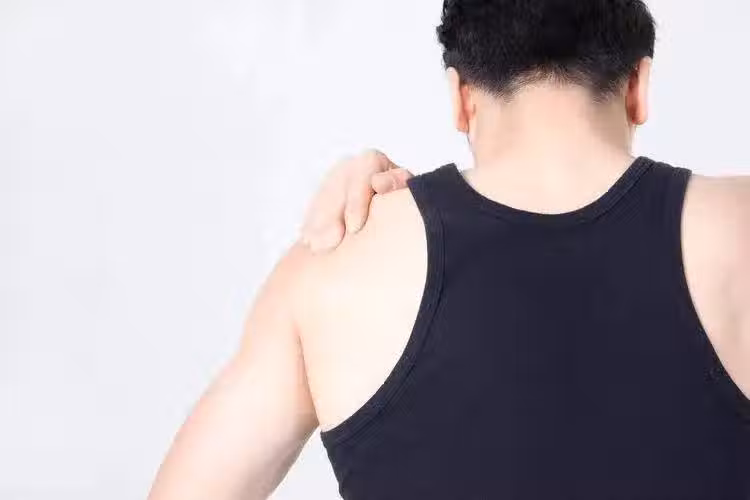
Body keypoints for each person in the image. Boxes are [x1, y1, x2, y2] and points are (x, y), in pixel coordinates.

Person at [148, 1, 750, 499]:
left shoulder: (338, 263)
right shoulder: (737, 231)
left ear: (461, 97)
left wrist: (378, 225)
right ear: (639, 87)